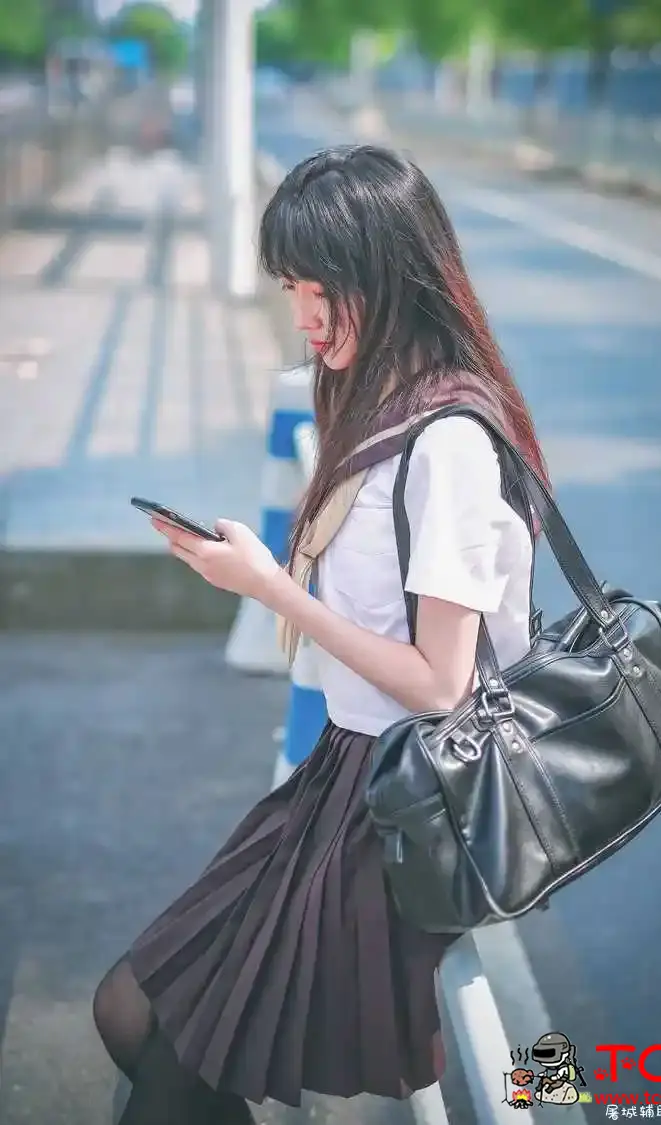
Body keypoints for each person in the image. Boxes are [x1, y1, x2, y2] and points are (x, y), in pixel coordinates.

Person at [92, 143, 549, 1123]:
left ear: (391, 274)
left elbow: (438, 684)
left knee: (157, 1032)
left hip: (402, 807)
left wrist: (270, 589)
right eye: (292, 287)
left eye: (321, 288)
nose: (302, 315)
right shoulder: (380, 407)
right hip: (342, 781)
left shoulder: (451, 444)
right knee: (135, 1011)